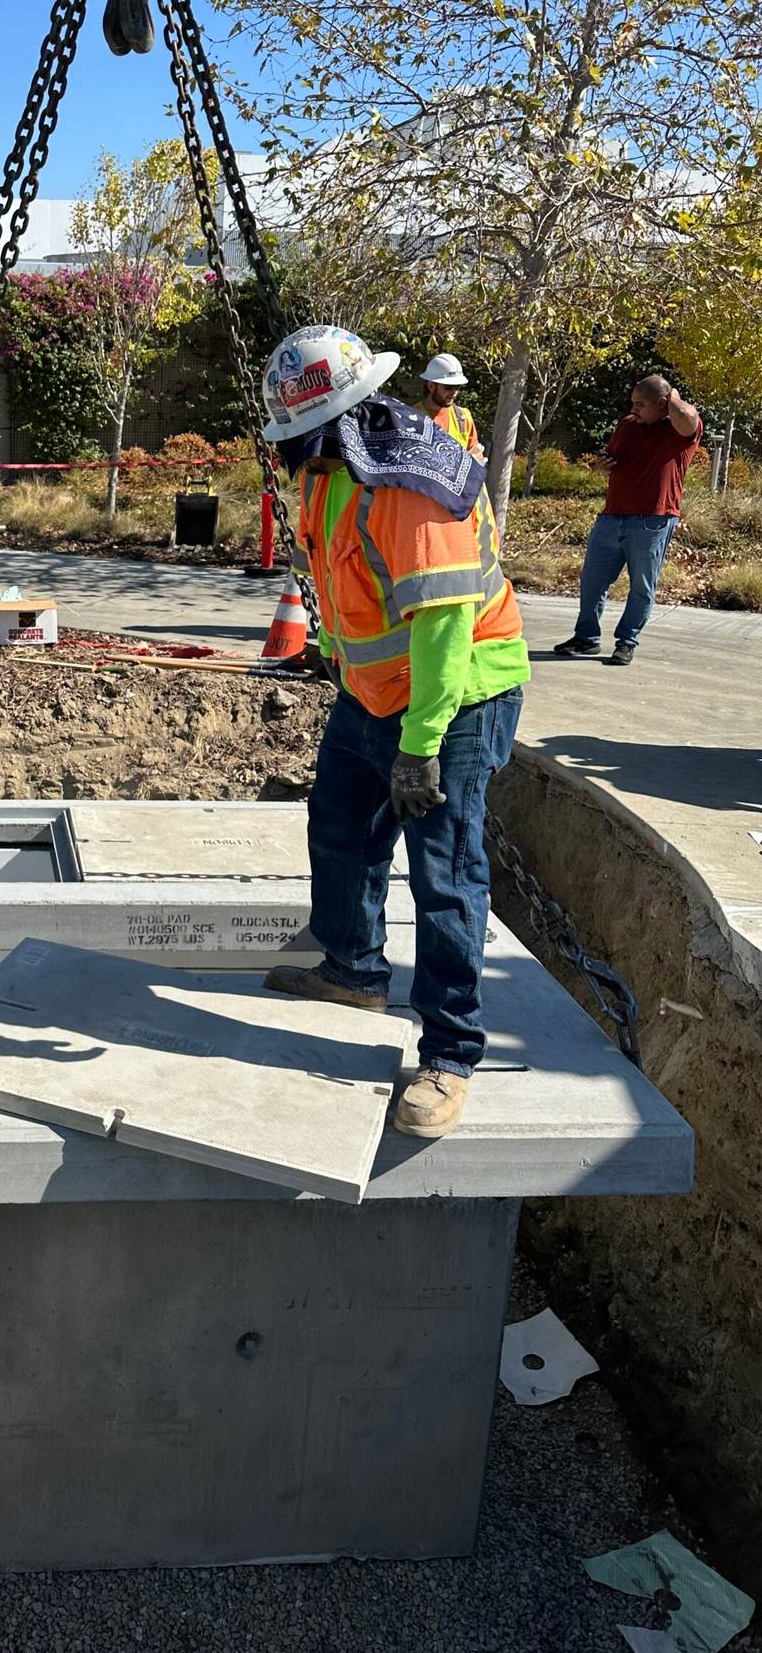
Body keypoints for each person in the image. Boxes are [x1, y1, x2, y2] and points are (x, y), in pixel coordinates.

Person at [258, 326, 530, 1139]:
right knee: (340, 823)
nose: (290, 451)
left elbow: (444, 626)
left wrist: (421, 744)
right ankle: (354, 968)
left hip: (457, 694)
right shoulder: (329, 471)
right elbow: (346, 585)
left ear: (341, 414)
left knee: (444, 871)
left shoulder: (407, 481)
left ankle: (450, 1053)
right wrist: (339, 662)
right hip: (375, 692)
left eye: (299, 435)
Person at [555, 375, 701, 666]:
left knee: (641, 587)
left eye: (640, 404)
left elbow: (687, 415)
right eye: (632, 403)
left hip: (653, 522)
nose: (633, 410)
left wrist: (670, 394)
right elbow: (613, 458)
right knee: (593, 581)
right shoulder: (627, 425)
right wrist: (602, 466)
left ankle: (626, 641)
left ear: (663, 404)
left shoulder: (679, 431)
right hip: (612, 517)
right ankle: (586, 639)